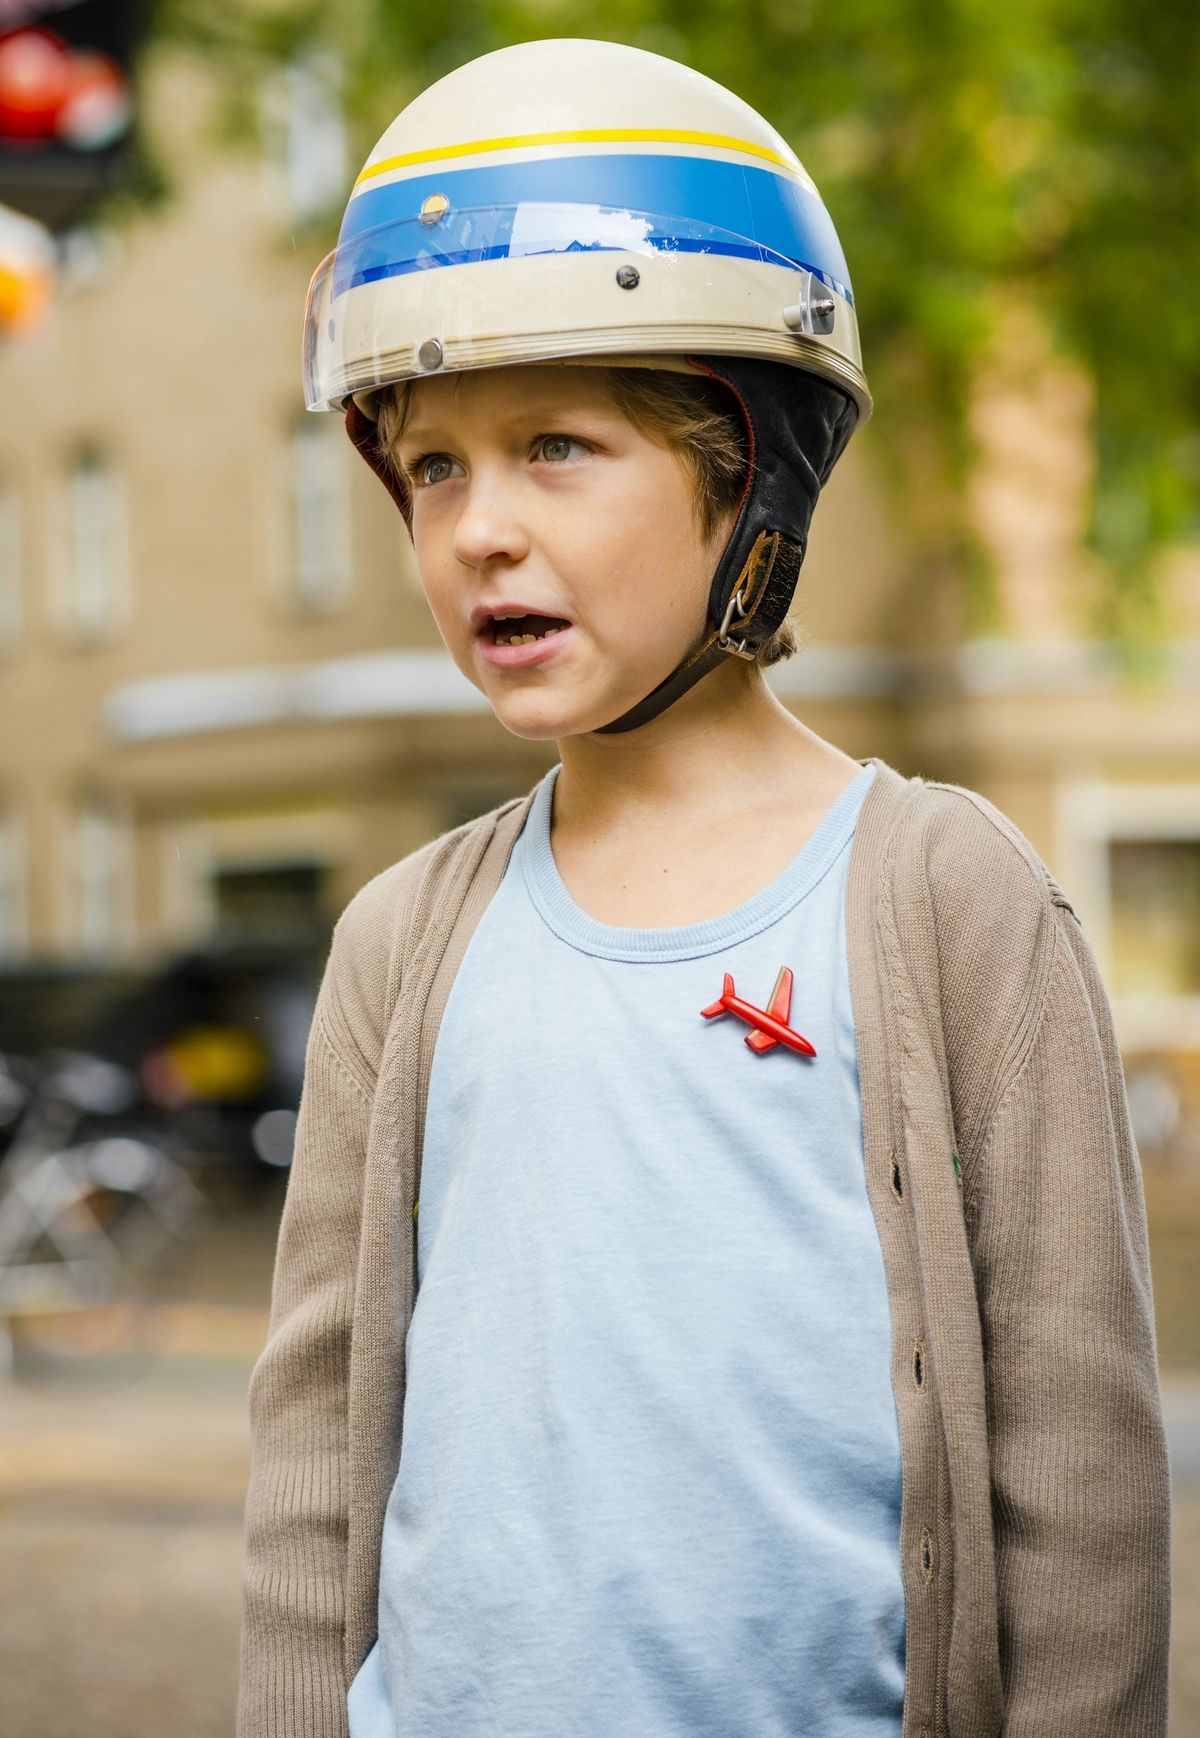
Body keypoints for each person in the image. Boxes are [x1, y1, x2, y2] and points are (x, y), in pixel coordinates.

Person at [238, 37, 1171, 1738]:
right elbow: (315, 1468)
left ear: (747, 477)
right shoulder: (402, 942)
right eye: (432, 464)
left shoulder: (947, 897)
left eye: (558, 448)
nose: (477, 530)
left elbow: (1079, 1479)